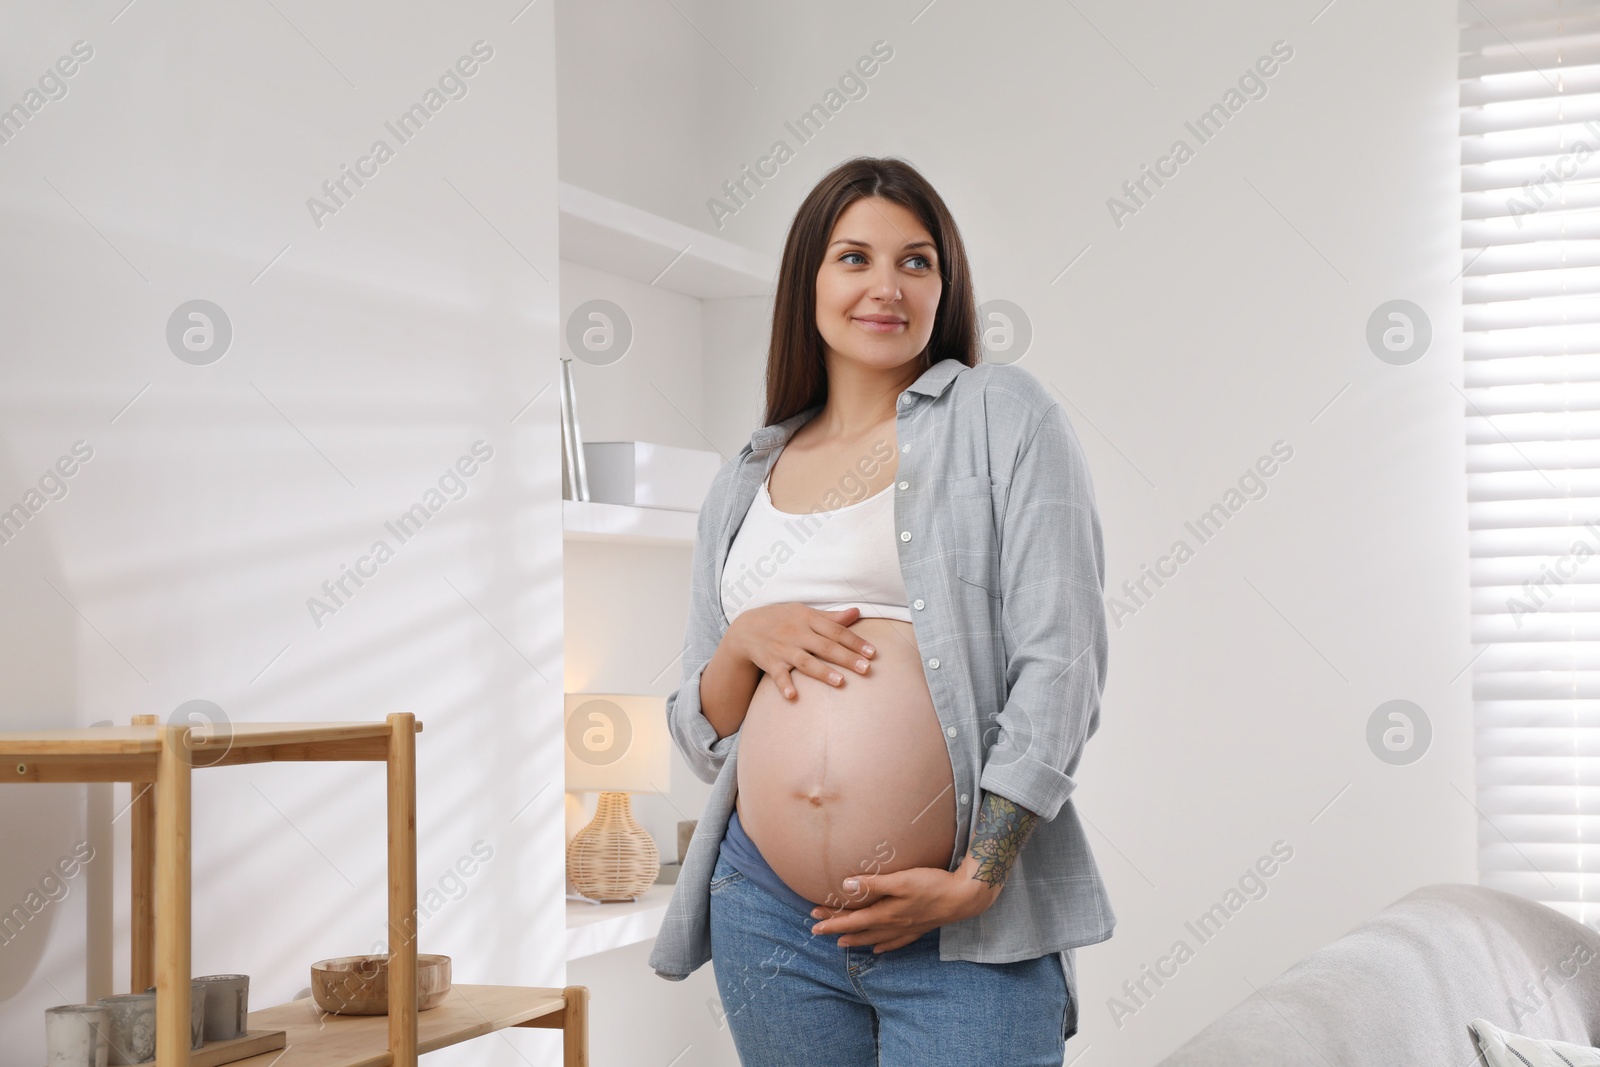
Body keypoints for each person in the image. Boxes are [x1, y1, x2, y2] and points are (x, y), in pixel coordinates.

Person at [647, 155, 1115, 1066]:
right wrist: (744, 643)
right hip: (771, 916)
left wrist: (978, 878)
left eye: (917, 261)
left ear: (946, 285)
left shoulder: (1002, 414)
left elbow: (1063, 658)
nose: (886, 286)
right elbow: (702, 736)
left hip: (960, 923)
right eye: (854, 258)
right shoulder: (744, 476)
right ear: (808, 282)